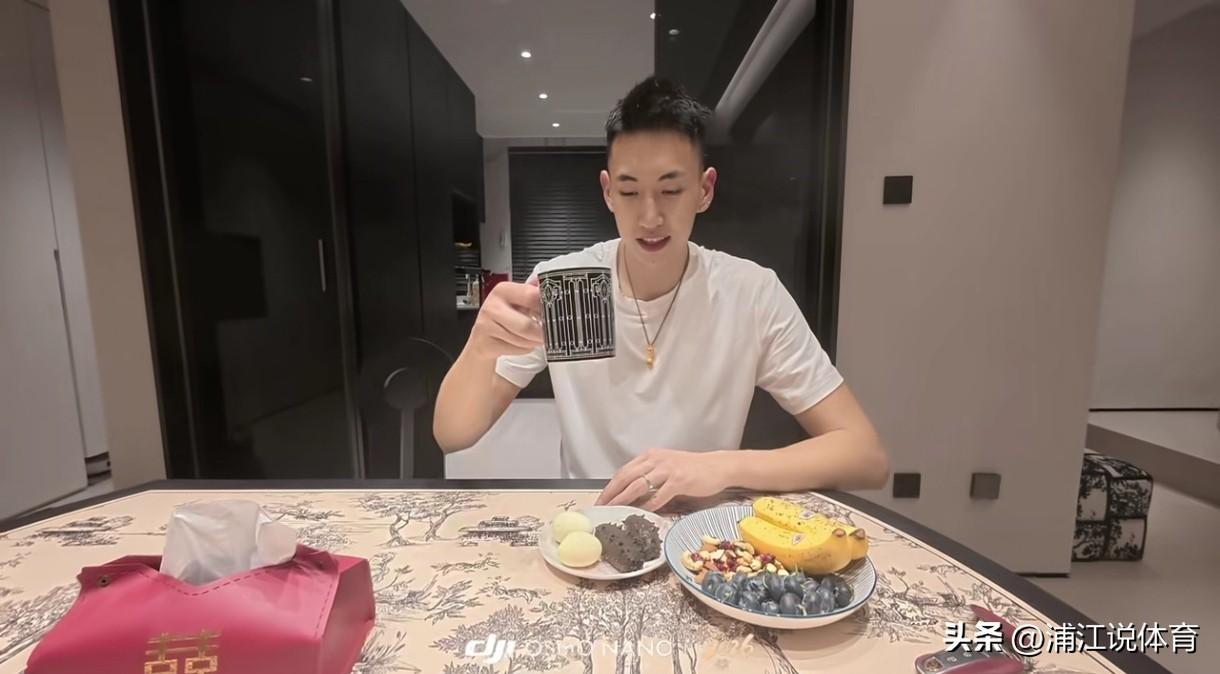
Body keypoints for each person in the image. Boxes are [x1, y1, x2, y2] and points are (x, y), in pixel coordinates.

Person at [434, 76, 889, 510]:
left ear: (704, 189)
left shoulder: (750, 294)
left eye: (670, 190)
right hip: (591, 525)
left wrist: (722, 467)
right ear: (608, 192)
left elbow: (864, 456)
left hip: (700, 532)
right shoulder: (565, 284)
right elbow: (453, 435)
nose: (650, 217)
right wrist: (480, 348)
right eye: (630, 192)